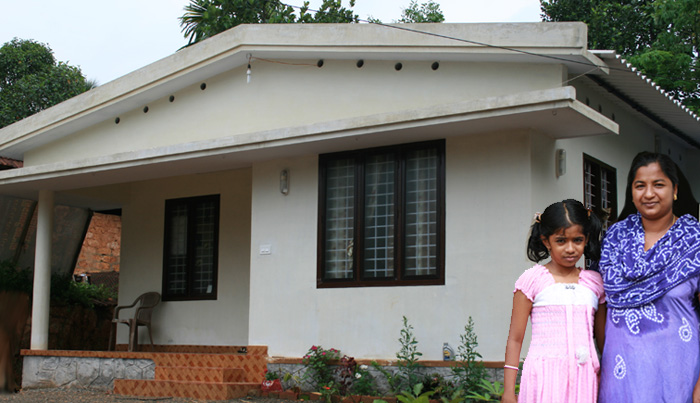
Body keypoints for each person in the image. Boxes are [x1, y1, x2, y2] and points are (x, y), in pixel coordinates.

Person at [598, 152, 700, 402]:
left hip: (678, 375)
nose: (649, 193)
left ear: (675, 190)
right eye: (640, 185)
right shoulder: (614, 240)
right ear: (631, 192)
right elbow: (601, 307)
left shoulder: (695, 242)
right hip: (620, 376)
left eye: (659, 184)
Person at [503, 199, 605, 403]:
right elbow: (515, 339)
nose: (570, 248)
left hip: (585, 380)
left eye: (577, 240)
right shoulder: (532, 281)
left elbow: (604, 342)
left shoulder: (595, 283)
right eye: (561, 241)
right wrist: (508, 390)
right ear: (546, 240)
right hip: (544, 378)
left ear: (586, 240)